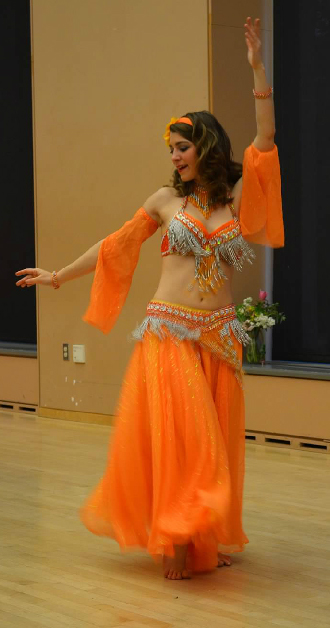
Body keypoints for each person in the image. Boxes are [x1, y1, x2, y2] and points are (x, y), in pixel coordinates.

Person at [16, 17, 284, 580]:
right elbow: (116, 244)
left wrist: (258, 70)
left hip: (221, 337)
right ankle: (178, 541)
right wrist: (60, 275)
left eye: (183, 147)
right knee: (193, 444)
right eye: (171, 149)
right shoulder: (166, 200)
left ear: (205, 146)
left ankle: (205, 536)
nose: (176, 156)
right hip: (169, 335)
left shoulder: (233, 199)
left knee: (217, 443)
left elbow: (264, 143)